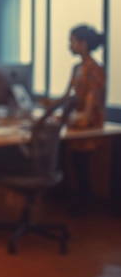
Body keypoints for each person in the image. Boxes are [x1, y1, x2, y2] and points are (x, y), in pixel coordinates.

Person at [44, 24, 106, 214]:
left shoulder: (94, 69)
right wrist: (49, 105)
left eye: (73, 42)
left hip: (88, 123)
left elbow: (92, 98)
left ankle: (84, 200)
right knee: (66, 154)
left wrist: (82, 118)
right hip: (76, 121)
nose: (70, 46)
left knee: (80, 162)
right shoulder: (77, 68)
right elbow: (68, 95)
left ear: (83, 44)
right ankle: (65, 195)